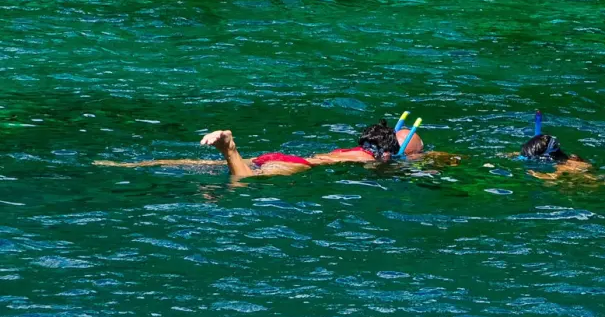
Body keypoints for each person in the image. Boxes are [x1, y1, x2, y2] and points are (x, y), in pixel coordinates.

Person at [94, 118, 460, 178]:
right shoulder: (374, 159)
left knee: (193, 164)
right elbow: (409, 161)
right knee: (244, 179)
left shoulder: (357, 148)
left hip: (284, 154)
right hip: (301, 166)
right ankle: (228, 148)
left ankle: (133, 165)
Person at [517, 132, 596, 182]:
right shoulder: (570, 158)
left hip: (591, 186)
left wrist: (534, 173)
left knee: (548, 184)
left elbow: (553, 177)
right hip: (590, 178)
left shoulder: (564, 166)